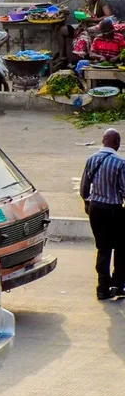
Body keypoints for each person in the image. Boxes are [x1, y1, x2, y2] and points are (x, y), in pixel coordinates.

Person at [80, 128, 125, 300]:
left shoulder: (91, 159)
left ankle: (102, 288)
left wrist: (87, 203)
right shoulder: (120, 163)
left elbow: (84, 188)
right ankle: (118, 284)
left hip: (96, 209)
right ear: (116, 142)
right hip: (113, 209)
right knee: (121, 247)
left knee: (103, 248)